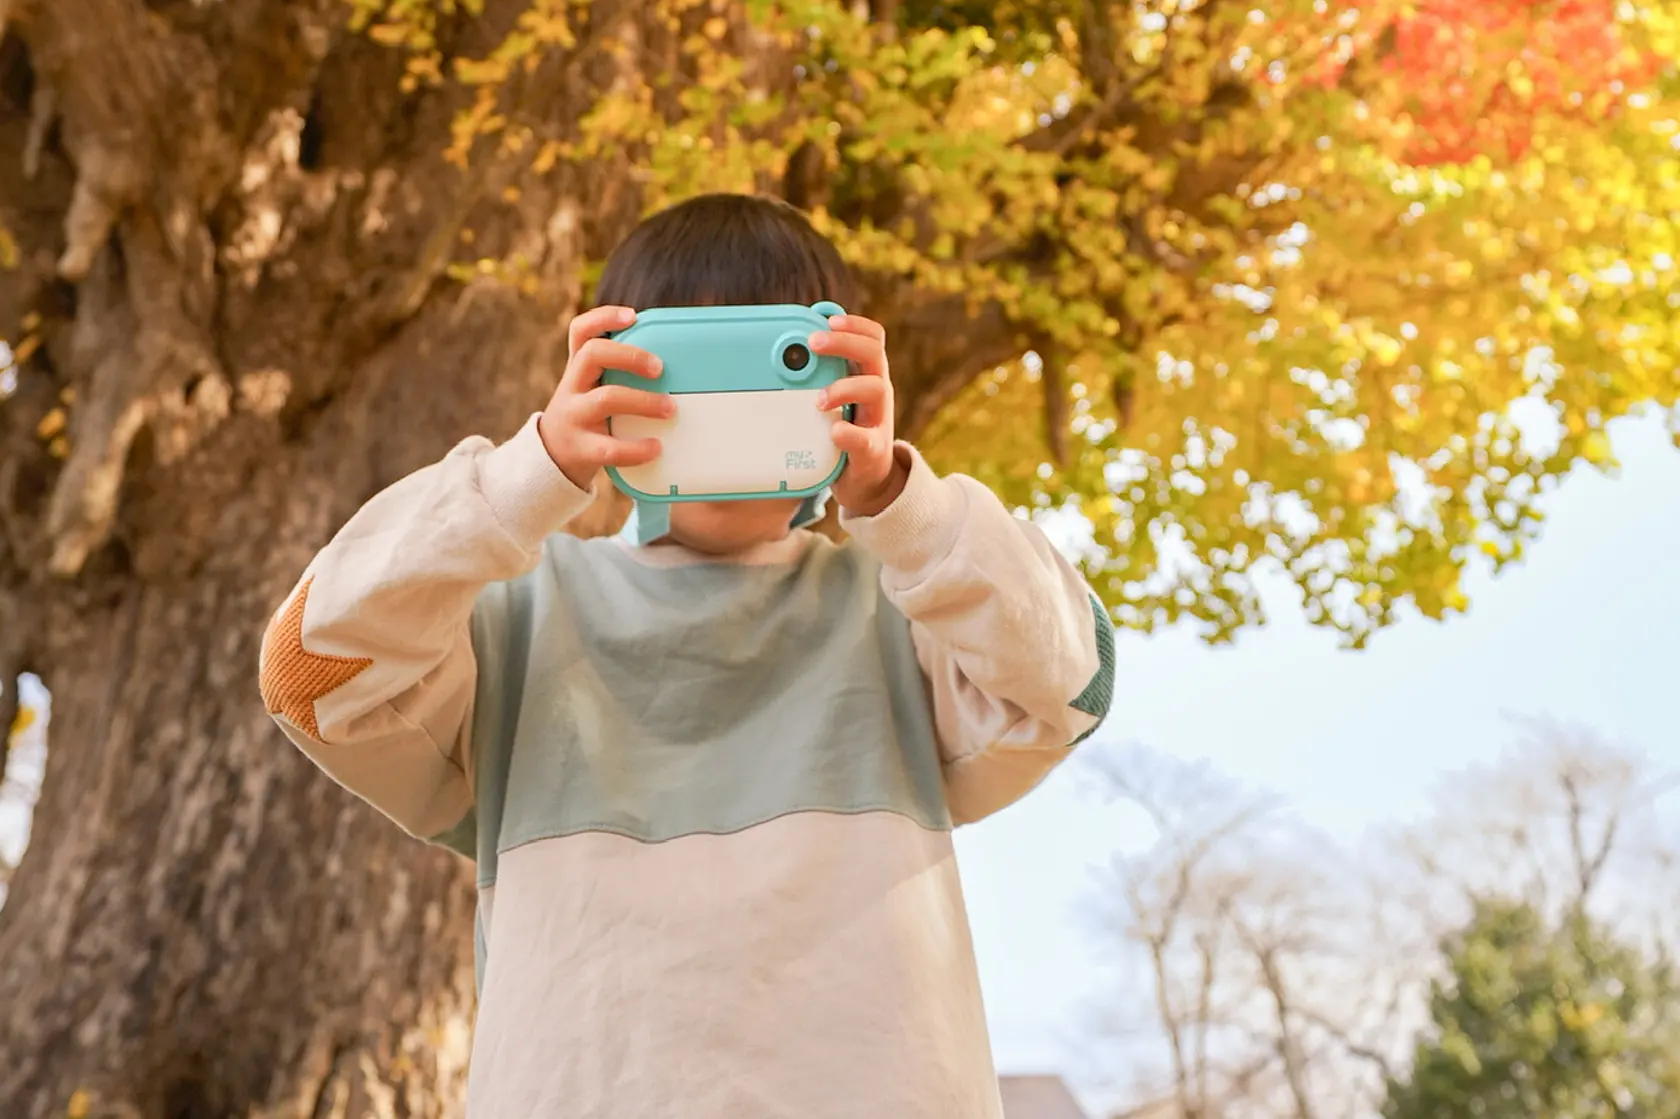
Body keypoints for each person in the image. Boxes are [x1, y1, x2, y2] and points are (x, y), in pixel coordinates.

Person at [260, 192, 1114, 1117]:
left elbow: (1071, 679)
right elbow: (312, 670)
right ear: (601, 375)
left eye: (774, 366)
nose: (727, 409)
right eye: (686, 371)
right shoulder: (512, 618)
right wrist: (528, 473)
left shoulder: (909, 608)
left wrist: (902, 501)